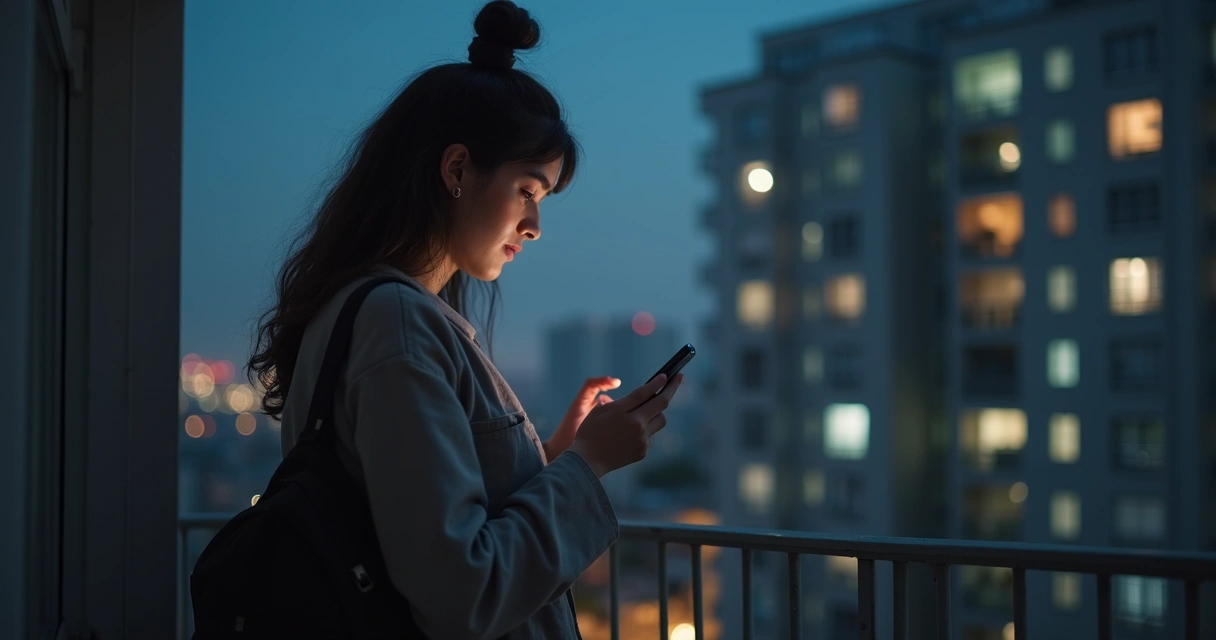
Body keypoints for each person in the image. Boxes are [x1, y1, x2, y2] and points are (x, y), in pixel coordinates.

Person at [246, 2, 685, 638]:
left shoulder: (368, 311)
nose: (534, 227)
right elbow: (461, 593)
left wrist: (556, 455)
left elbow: (425, 517)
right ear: (456, 170)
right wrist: (590, 463)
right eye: (528, 191)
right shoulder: (396, 323)